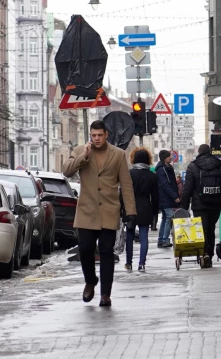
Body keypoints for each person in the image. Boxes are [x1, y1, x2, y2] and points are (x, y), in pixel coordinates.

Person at [62, 120, 137, 307]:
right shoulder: (81, 150)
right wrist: (84, 156)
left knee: (106, 253)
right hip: (87, 211)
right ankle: (90, 280)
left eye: (100, 135)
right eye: (93, 135)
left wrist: (131, 211)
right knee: (85, 249)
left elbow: (126, 184)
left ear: (106, 135)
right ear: (90, 135)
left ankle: (105, 294)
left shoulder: (118, 154)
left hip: (109, 211)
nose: (96, 139)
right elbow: (67, 171)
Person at [180, 144, 221, 268]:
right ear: (210, 152)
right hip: (215, 204)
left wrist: (183, 207)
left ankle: (204, 253)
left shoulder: (193, 167)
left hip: (199, 205)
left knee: (202, 229)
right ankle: (209, 255)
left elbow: (187, 189)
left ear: (199, 153)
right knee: (211, 229)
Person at [125, 148, 159, 271]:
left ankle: (128, 262)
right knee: (144, 236)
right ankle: (142, 264)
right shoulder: (152, 176)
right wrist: (155, 212)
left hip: (130, 207)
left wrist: (122, 209)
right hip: (145, 207)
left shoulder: (129, 174)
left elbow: (124, 192)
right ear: (148, 160)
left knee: (129, 235)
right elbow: (155, 196)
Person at [155, 150, 180, 248]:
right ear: (165, 158)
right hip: (165, 197)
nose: (171, 157)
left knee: (166, 217)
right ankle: (164, 239)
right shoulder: (162, 169)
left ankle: (161, 240)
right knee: (169, 216)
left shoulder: (168, 168)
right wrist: (175, 196)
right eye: (170, 156)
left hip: (167, 197)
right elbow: (165, 185)